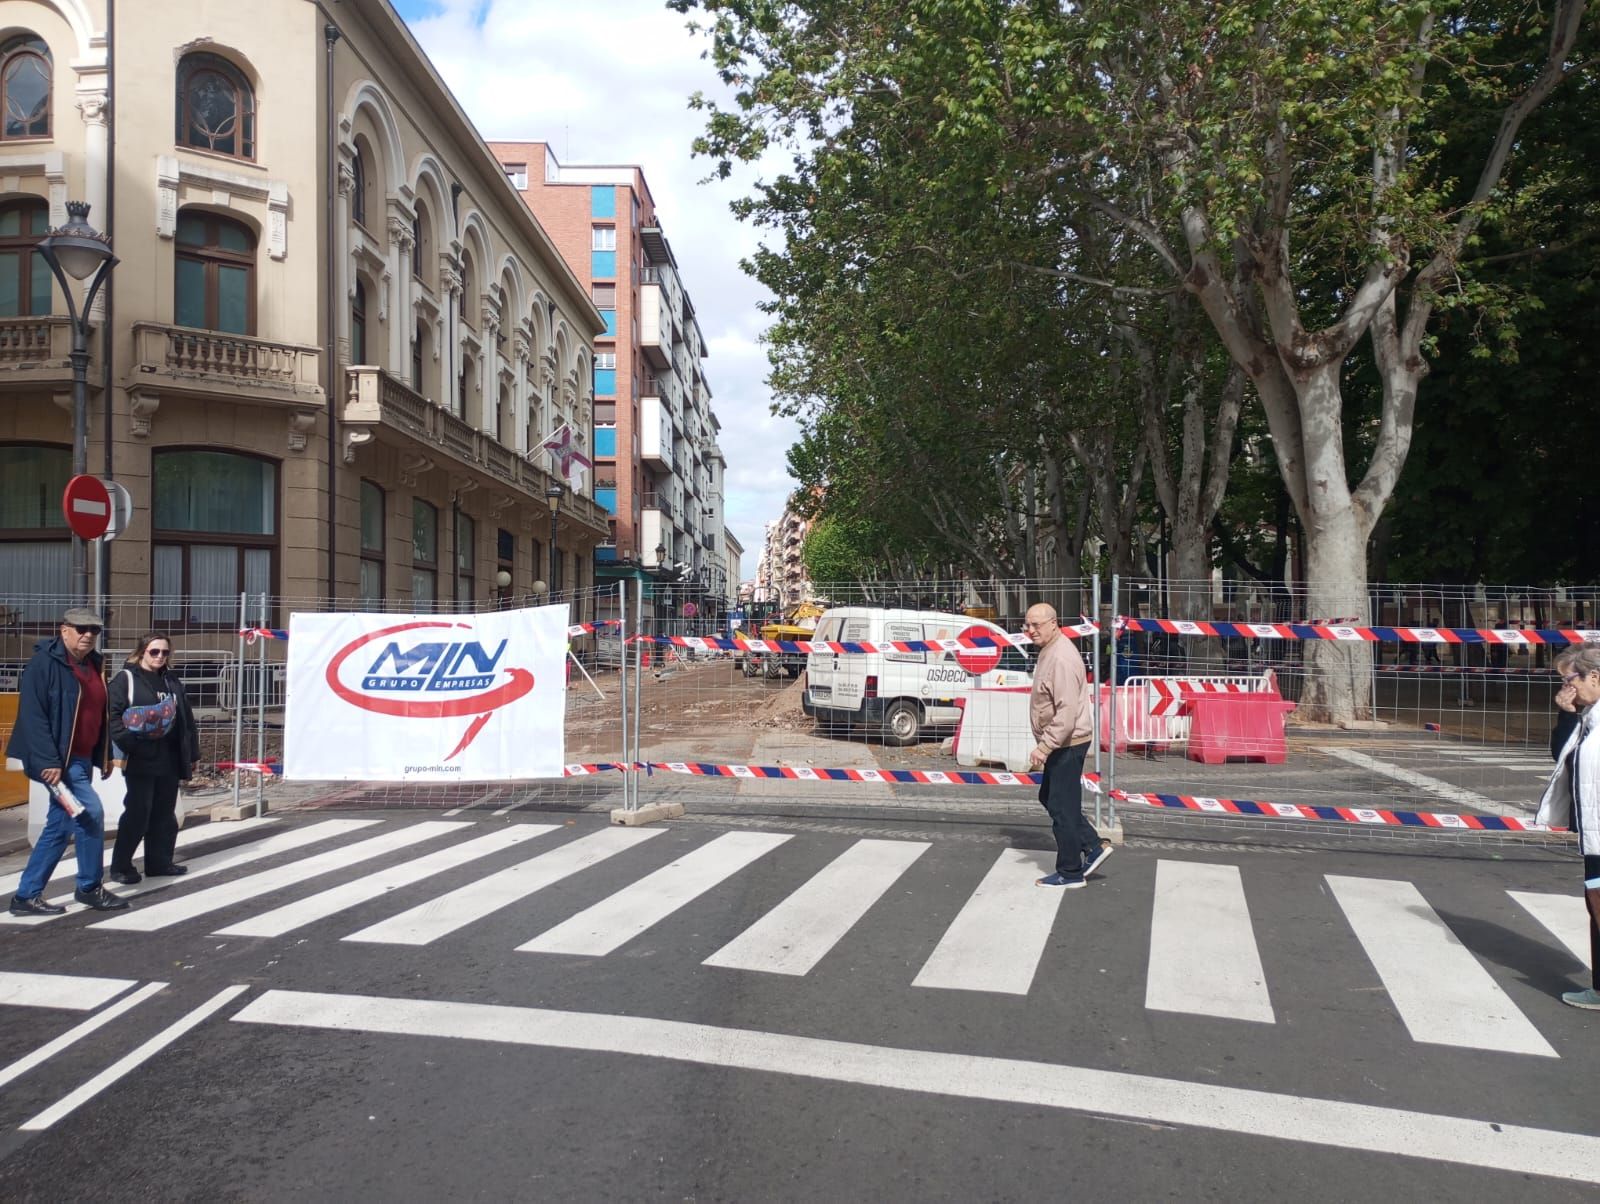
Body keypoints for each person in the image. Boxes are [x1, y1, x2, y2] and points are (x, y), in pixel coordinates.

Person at [5, 607, 130, 915]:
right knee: (90, 813)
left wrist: (103, 757)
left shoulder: (93, 664)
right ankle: (89, 887)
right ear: (64, 630)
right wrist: (49, 761)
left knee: (59, 828)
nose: (88, 635)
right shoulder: (43, 665)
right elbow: (34, 717)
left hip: (82, 758)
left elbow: (96, 715)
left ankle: (25, 896)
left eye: (95, 631)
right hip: (60, 761)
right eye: (81, 629)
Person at [1025, 603, 1112, 888]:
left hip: (1066, 743)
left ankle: (1070, 872)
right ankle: (1093, 845)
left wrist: (1044, 747)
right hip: (1064, 741)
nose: (1030, 630)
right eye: (1027, 625)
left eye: (1036, 625)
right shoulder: (1052, 650)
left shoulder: (1060, 657)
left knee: (1062, 807)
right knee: (1051, 797)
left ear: (1054, 623)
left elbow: (1065, 712)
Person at [1535, 643, 1600, 1010]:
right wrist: (1568, 714)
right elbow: (1565, 758)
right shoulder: (1589, 715)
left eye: (1570, 679)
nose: (1567, 687)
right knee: (1596, 905)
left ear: (1594, 676)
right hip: (1593, 832)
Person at [107, 632, 200, 884]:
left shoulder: (171, 680)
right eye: (154, 651)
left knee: (164, 813)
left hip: (169, 758)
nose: (160, 657)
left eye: (165, 652)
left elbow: (186, 720)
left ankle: (159, 863)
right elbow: (113, 718)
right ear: (142, 652)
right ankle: (121, 867)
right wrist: (132, 745)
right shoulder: (125, 679)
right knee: (138, 813)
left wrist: (192, 753)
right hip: (141, 758)